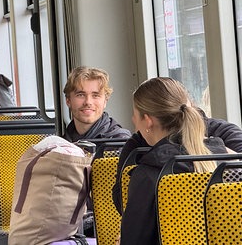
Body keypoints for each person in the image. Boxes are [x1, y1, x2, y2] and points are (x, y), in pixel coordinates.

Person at [118, 77, 228, 245]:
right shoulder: (225, 163)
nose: (133, 120)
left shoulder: (149, 175)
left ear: (147, 121)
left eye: (135, 114)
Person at [112, 98, 242, 214]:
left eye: (135, 115)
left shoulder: (146, 172)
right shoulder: (225, 150)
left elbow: (127, 210)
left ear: (147, 121)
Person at [62, 66, 131, 142]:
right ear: (68, 101)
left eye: (95, 95)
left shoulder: (120, 142)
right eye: (80, 95)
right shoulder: (60, 144)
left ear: (105, 101)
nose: (88, 102)